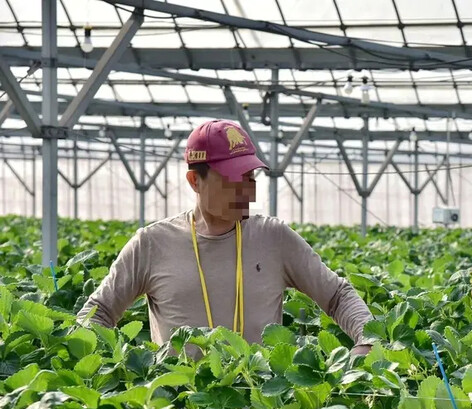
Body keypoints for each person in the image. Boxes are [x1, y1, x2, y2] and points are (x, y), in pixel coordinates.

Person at [78, 119, 373, 355]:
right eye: (233, 180)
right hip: (178, 408)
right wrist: (110, 366)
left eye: (250, 178)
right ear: (195, 181)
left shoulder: (274, 238)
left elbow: (337, 295)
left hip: (263, 407)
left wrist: (366, 339)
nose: (246, 192)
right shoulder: (152, 244)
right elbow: (97, 312)